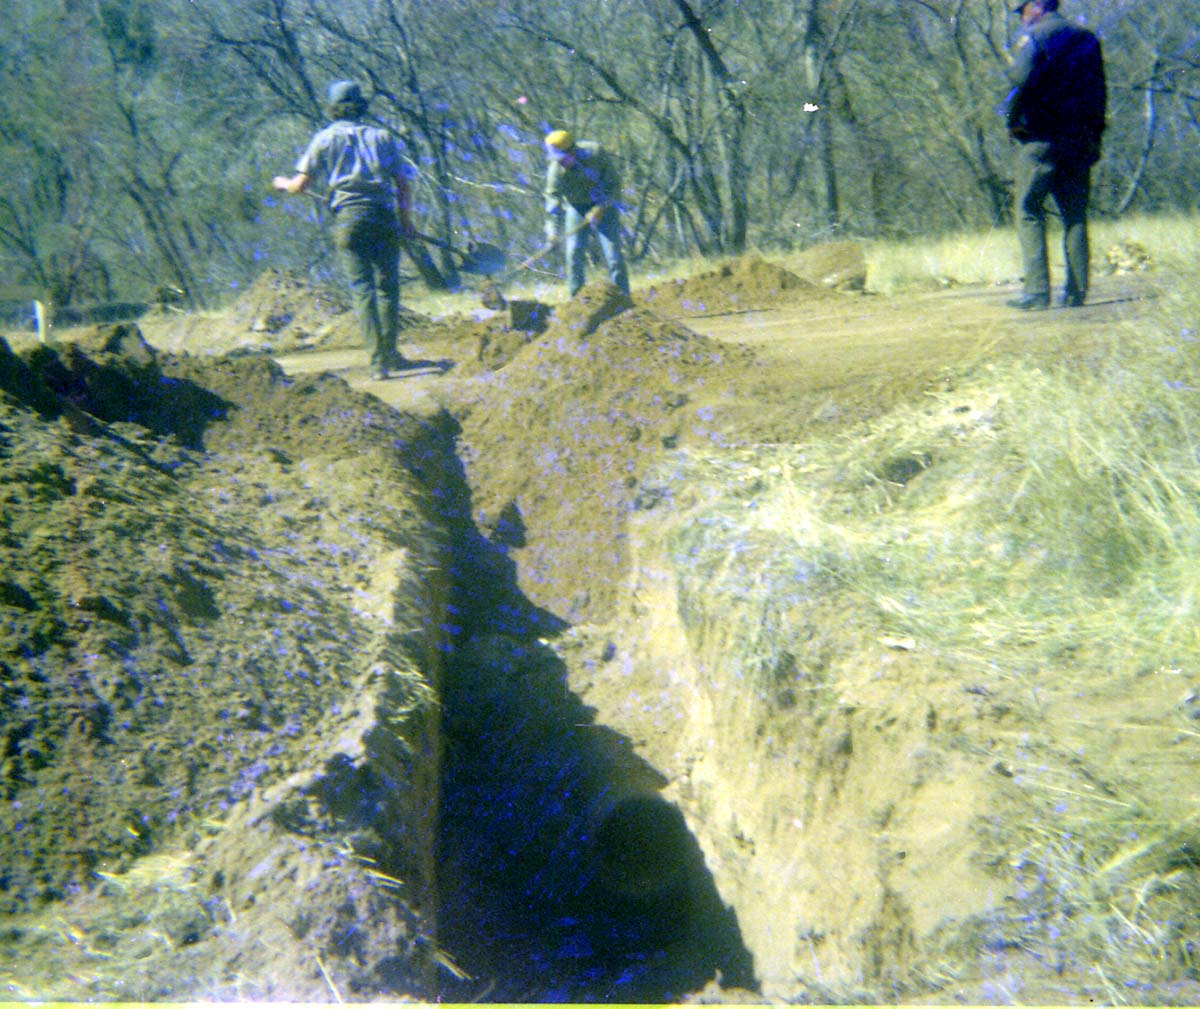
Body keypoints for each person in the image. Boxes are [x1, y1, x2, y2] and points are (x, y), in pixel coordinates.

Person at [272, 80, 414, 379]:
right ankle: (391, 354)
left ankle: (378, 365)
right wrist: (406, 222)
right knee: (388, 288)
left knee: (363, 291)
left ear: (333, 108)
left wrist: (283, 183)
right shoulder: (382, 137)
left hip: (349, 220)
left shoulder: (324, 139)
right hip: (383, 216)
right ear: (361, 106)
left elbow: (300, 186)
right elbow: (403, 183)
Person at [1005, 0, 1106, 311]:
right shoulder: (1087, 38)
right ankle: (1076, 294)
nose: (1021, 17)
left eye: (1022, 10)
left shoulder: (1039, 36)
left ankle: (1037, 294)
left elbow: (1018, 79)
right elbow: (1101, 92)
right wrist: (1095, 138)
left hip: (1041, 140)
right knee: (1075, 216)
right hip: (1080, 139)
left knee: (1028, 209)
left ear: (1037, 6)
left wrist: (1012, 119)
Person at [542, 130, 630, 298]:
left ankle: (624, 298)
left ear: (572, 151)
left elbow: (615, 185)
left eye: (562, 158)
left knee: (613, 256)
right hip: (576, 208)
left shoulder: (596, 153)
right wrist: (552, 232)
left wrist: (601, 207)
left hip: (604, 204)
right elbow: (552, 202)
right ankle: (577, 301)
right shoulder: (556, 170)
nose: (560, 163)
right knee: (573, 254)